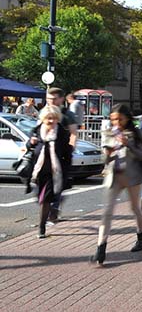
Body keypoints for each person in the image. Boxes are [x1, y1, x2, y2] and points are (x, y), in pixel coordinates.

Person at [93, 104, 142, 266]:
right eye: (113, 119)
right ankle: (101, 247)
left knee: (135, 208)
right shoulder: (108, 133)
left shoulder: (135, 133)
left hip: (132, 176)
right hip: (114, 176)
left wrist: (128, 144)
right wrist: (108, 154)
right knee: (107, 211)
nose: (116, 122)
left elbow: (141, 155)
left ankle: (141, 234)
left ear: (127, 118)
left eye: (120, 119)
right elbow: (104, 159)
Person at [25, 105, 72, 239]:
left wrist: (65, 171)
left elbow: (67, 154)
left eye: (54, 118)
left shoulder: (62, 133)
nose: (51, 121)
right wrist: (30, 143)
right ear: (43, 119)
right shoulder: (37, 131)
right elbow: (29, 146)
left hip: (54, 172)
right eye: (48, 118)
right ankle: (52, 210)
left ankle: (41, 228)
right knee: (39, 198)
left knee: (44, 199)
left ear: (58, 119)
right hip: (37, 171)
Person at [44, 87, 78, 224]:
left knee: (57, 183)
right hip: (45, 155)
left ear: (61, 99)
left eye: (54, 98)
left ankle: (53, 211)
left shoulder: (66, 115)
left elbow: (74, 133)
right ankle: (50, 206)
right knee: (41, 185)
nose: (50, 101)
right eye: (48, 98)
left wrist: (70, 150)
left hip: (60, 155)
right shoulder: (44, 112)